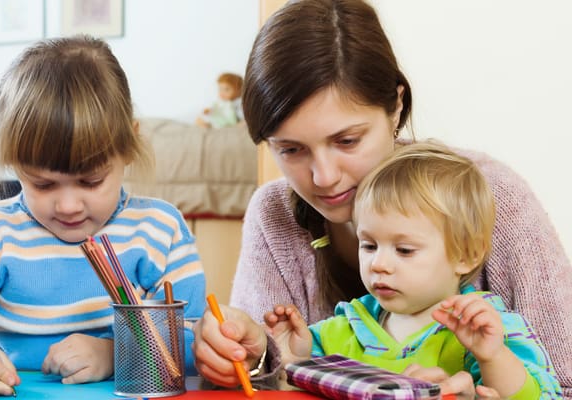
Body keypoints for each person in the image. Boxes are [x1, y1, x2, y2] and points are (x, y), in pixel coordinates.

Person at [192, 0, 572, 397]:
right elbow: (269, 375)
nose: (324, 177)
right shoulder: (274, 215)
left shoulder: (492, 195)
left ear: (397, 107)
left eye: (347, 140)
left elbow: (562, 382)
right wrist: (248, 356)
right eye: (290, 149)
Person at [0, 36, 206, 396]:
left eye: (91, 181)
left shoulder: (160, 229)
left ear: (129, 145)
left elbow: (194, 339)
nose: (68, 206)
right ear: (13, 162)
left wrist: (113, 354)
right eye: (43, 184)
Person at [264, 142, 561, 399]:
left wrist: (493, 357)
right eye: (369, 245)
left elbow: (541, 395)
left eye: (404, 250)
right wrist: (294, 362)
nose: (378, 264)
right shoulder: (342, 329)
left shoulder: (489, 329)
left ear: (466, 255)